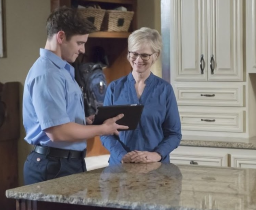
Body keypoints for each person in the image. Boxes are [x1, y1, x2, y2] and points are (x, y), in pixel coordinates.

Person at [22, 7, 128, 185]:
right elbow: (58, 132)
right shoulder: (48, 74)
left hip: (67, 163)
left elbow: (62, 120)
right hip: (53, 166)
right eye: (79, 43)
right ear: (61, 37)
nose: (83, 50)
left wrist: (83, 121)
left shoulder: (62, 71)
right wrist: (103, 129)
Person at [100, 27, 182, 165]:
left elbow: (174, 134)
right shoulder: (114, 88)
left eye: (145, 55)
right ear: (128, 54)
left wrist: (156, 155)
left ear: (156, 55)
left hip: (155, 168)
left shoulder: (165, 90)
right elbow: (104, 131)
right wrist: (122, 155)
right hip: (121, 166)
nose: (138, 60)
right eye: (134, 54)